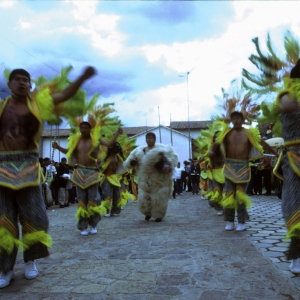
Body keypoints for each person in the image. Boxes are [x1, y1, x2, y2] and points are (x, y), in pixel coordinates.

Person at [0, 66, 96, 288]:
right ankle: (5, 268)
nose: (22, 82)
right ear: (10, 84)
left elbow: (64, 95)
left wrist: (82, 77)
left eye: (26, 79)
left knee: (36, 219)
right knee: (4, 221)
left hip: (30, 170)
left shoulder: (38, 106)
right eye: (17, 79)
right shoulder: (2, 108)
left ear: (30, 85)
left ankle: (30, 260)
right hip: (3, 169)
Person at [52, 123, 122, 236]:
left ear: (90, 129)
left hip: (93, 172)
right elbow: (68, 151)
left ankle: (93, 225)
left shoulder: (96, 139)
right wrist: (58, 147)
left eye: (85, 128)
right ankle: (83, 226)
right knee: (81, 200)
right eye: (82, 128)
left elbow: (109, 144)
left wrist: (117, 135)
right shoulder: (77, 141)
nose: (83, 129)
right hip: (79, 172)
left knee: (94, 199)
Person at [214, 111, 277, 232]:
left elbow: (262, 142)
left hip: (243, 166)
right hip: (229, 166)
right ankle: (230, 221)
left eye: (238, 118)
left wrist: (275, 153)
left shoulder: (249, 133)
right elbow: (216, 144)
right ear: (231, 120)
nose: (236, 120)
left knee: (241, 195)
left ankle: (241, 222)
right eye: (234, 118)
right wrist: (211, 152)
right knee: (228, 195)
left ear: (243, 120)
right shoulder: (226, 133)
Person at [273, 60, 300, 273]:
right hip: (295, 157)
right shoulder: (287, 95)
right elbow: (288, 107)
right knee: (297, 205)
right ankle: (296, 256)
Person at [123, 132, 178, 222]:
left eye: (151, 138)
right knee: (144, 196)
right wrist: (132, 162)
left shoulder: (162, 150)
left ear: (154, 139)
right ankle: (147, 213)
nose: (149, 139)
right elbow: (128, 162)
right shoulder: (138, 151)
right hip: (144, 178)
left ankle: (159, 215)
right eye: (147, 137)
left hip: (158, 179)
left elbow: (174, 157)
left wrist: (166, 161)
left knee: (159, 196)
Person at [100, 142, 132, 217]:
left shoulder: (118, 156)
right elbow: (100, 166)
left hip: (116, 178)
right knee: (108, 194)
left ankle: (115, 211)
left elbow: (122, 165)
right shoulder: (105, 157)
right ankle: (106, 210)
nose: (117, 149)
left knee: (117, 195)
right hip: (107, 177)